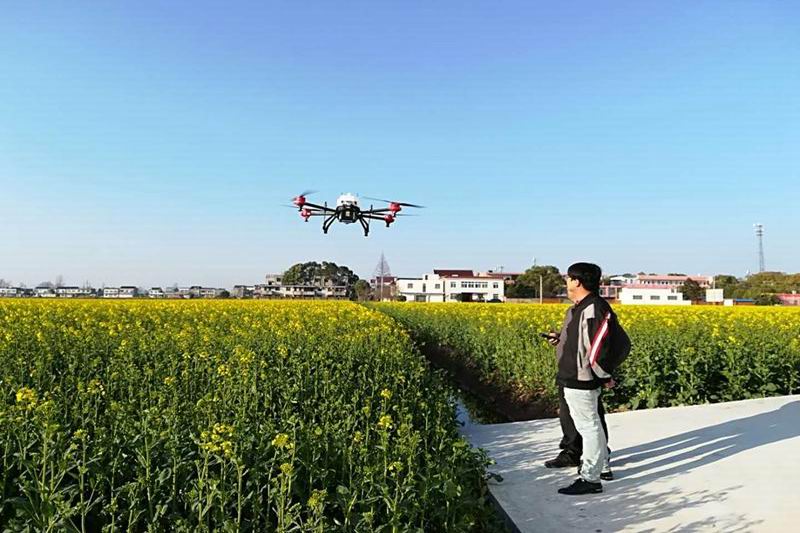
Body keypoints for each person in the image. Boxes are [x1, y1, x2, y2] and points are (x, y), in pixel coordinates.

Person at [548, 262, 616, 495]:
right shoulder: (582, 307)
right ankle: (601, 467)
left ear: (577, 281)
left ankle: (590, 478)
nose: (566, 282)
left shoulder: (593, 308)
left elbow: (597, 347)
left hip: (582, 378)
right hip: (575, 376)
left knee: (589, 427)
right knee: (591, 425)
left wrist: (604, 376)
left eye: (569, 278)